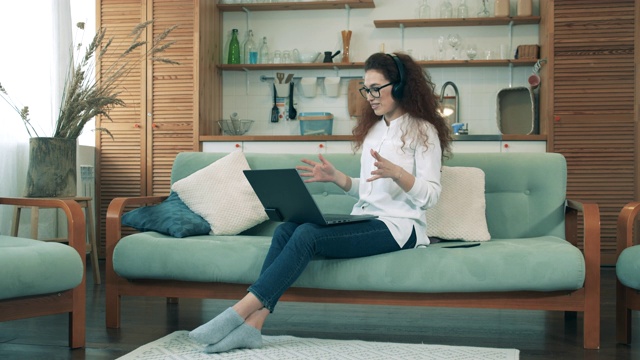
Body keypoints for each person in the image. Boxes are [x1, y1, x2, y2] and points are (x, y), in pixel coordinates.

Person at [189, 52, 452, 353]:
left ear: (402, 86)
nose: (370, 96)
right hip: (369, 218)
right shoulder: (375, 130)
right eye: (366, 89)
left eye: (376, 88)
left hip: (401, 228)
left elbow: (431, 195)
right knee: (288, 229)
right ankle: (253, 326)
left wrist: (399, 174)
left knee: (308, 235)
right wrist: (339, 178)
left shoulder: (423, 131)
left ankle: (236, 313)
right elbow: (368, 193)